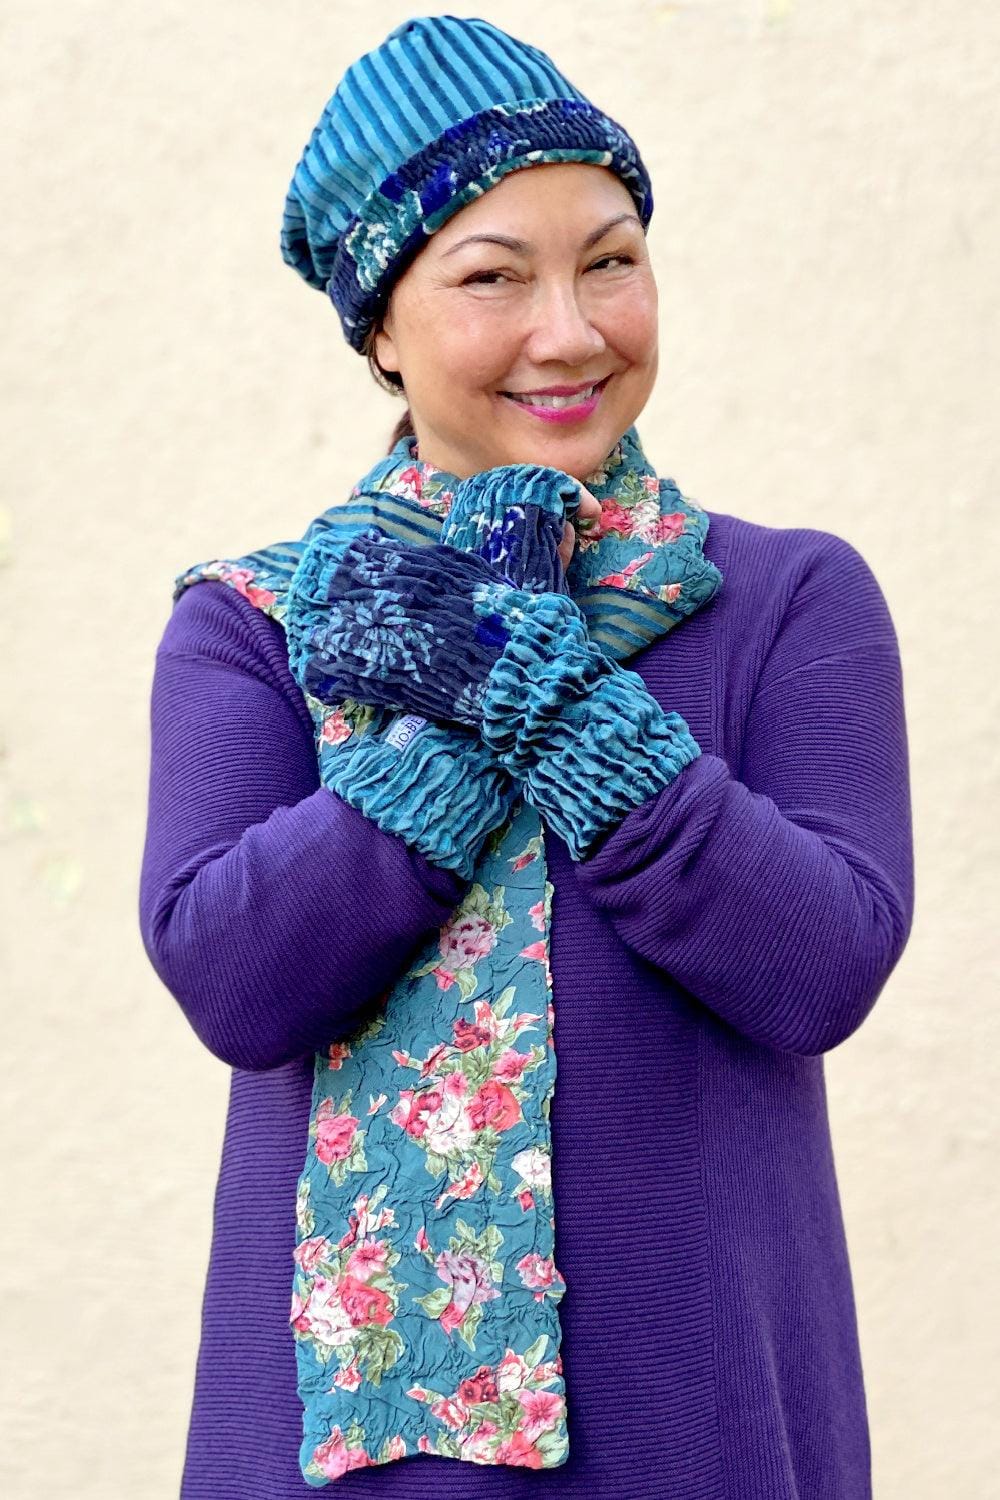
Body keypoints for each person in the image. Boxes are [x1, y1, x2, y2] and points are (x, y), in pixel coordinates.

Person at [138, 16, 914, 1499]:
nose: (572, 330)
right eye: (492, 276)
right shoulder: (255, 628)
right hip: (331, 1454)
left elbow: (821, 966)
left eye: (611, 259)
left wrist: (561, 706)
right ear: (381, 325)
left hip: (705, 1431)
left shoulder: (788, 601)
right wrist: (455, 717)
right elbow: (238, 979)